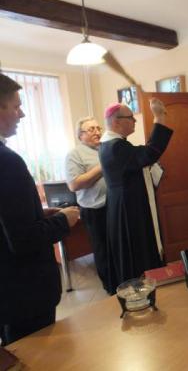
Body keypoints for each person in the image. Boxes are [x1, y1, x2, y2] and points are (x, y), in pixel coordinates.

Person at [0, 74, 80, 345]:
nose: (21, 114)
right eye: (15, 106)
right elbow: (23, 240)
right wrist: (64, 221)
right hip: (23, 292)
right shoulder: (7, 162)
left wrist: (40, 215)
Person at [99, 99, 173, 292]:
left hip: (123, 205)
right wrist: (159, 117)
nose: (135, 121)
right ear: (116, 122)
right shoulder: (115, 146)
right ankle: (140, 293)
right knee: (136, 254)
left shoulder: (113, 144)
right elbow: (149, 153)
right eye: (130, 118)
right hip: (128, 209)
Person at [65, 117, 111, 294]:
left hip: (114, 206)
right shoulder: (75, 155)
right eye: (91, 129)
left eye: (98, 128)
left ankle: (123, 282)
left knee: (118, 246)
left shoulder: (106, 148)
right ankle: (110, 289)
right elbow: (74, 184)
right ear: (80, 135)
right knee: (103, 251)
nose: (97, 132)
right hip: (94, 211)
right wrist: (102, 166)